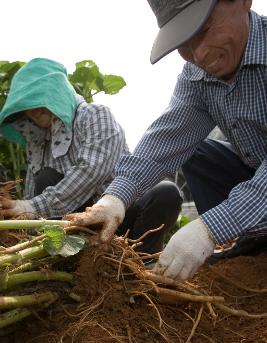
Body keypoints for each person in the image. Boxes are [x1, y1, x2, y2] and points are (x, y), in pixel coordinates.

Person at [65, 0, 267, 281]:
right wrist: (114, 197)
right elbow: (167, 138)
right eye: (183, 43)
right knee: (197, 154)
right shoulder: (197, 76)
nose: (198, 54)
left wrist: (211, 228)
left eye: (205, 29)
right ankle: (256, 244)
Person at [0, 57, 182, 254]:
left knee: (167, 193)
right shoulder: (39, 143)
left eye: (37, 101)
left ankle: (139, 258)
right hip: (74, 227)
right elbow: (31, 196)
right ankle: (65, 256)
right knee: (45, 177)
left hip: (117, 213)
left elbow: (90, 172)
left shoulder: (95, 115)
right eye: (27, 107)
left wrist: (32, 206)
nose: (32, 111)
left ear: (57, 93)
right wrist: (21, 220)